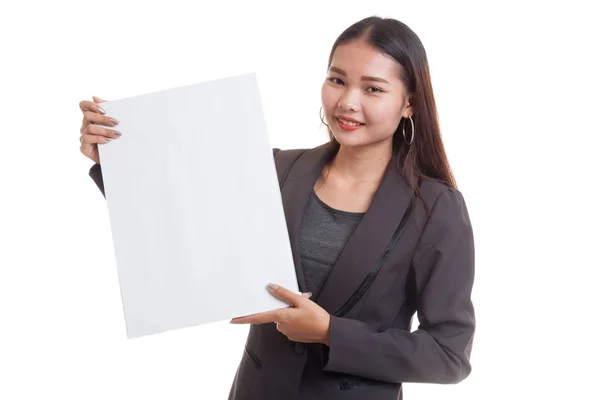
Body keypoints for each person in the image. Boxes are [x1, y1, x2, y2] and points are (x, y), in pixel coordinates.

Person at [79, 16, 475, 400]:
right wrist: (114, 162)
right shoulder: (278, 170)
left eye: (372, 89)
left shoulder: (435, 208)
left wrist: (330, 333)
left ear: (410, 103)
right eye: (337, 80)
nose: (347, 102)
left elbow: (448, 354)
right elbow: (183, 223)